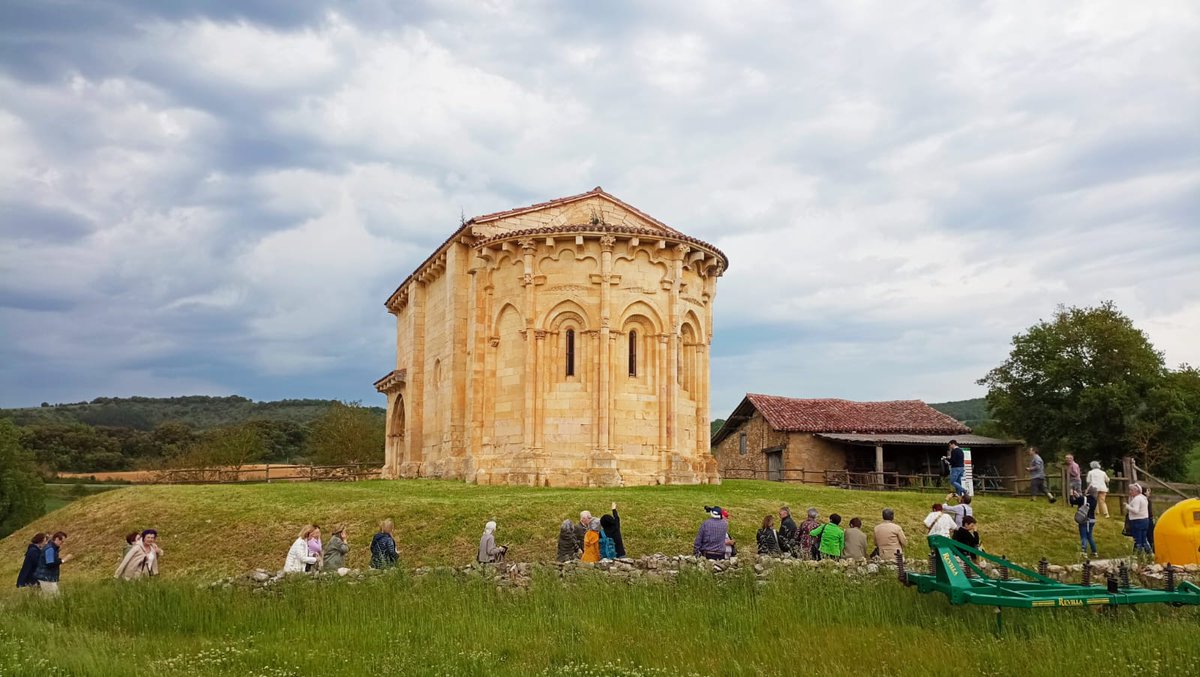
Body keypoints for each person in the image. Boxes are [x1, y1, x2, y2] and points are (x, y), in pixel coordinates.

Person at [34, 531, 71, 595]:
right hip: (47, 578)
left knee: (50, 599)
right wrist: (63, 560)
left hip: (46, 577)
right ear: (56, 539)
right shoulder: (50, 549)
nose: (62, 543)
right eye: (61, 541)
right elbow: (50, 563)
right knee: (54, 598)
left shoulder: (51, 548)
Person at [1068, 488, 1098, 556]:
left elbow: (1072, 502)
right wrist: (1078, 495)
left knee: (1083, 536)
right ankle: (1094, 551)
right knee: (1090, 536)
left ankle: (1083, 551)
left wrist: (1071, 495)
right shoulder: (1094, 500)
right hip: (1092, 520)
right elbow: (1084, 501)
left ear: (1088, 492)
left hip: (1084, 520)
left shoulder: (1083, 499)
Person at [1124, 484, 1152, 555]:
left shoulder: (1137, 499)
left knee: (1138, 540)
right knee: (1144, 539)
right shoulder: (1143, 498)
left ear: (1136, 491)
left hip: (1137, 521)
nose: (1130, 492)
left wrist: (1128, 507)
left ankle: (1138, 555)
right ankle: (1149, 554)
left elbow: (1136, 510)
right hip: (1145, 520)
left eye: (1132, 490)